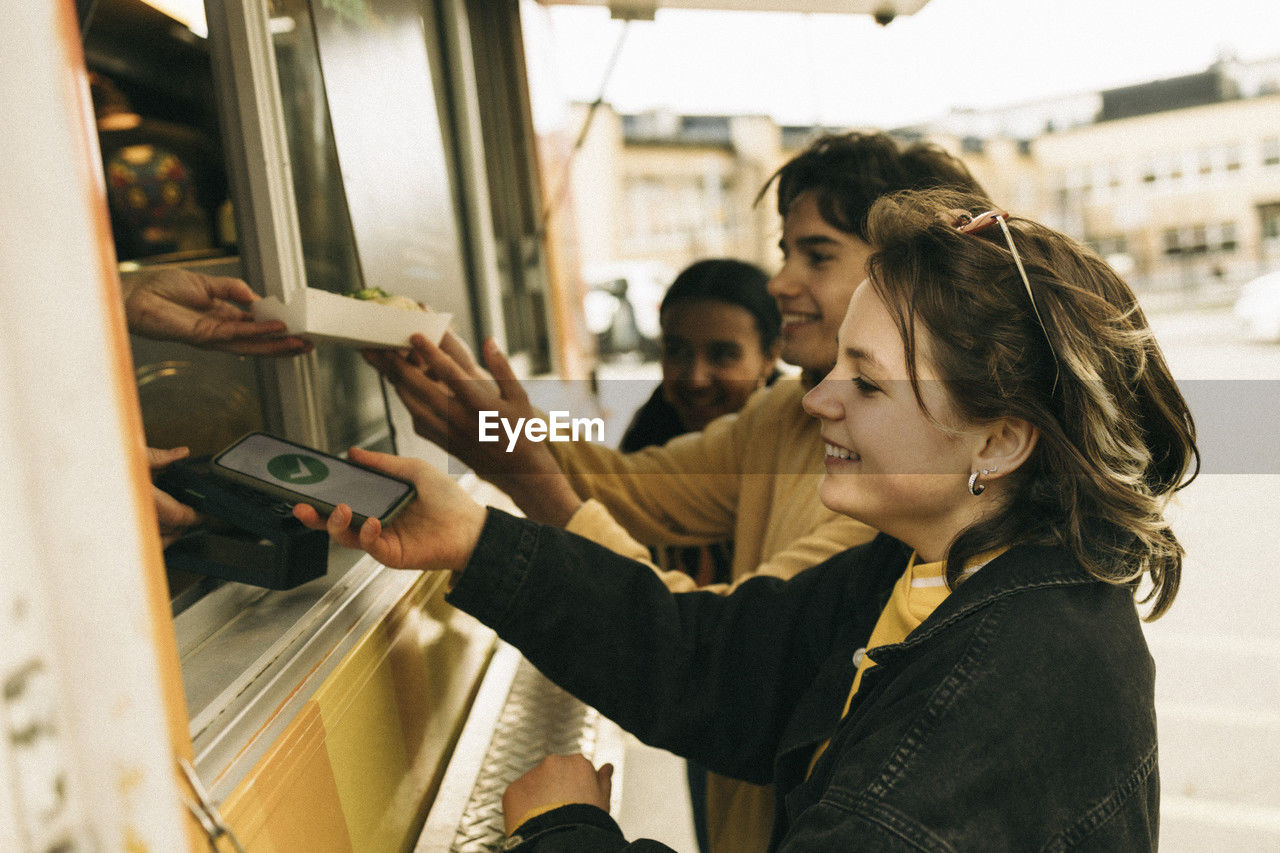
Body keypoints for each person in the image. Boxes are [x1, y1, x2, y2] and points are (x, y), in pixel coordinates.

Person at [297, 188, 1198, 850]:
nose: (819, 404)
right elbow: (715, 657)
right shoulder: (934, 565)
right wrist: (477, 539)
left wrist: (565, 830)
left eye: (869, 382)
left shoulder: (1016, 681)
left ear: (1000, 442)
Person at [365, 131, 988, 853]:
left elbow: (716, 650)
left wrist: (561, 830)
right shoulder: (784, 412)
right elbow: (631, 489)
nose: (780, 281)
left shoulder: (904, 498)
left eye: (815, 255)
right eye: (784, 250)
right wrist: (489, 430)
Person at [618, 257, 780, 852]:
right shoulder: (646, 447)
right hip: (700, 704)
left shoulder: (815, 444)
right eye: (678, 351)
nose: (694, 376)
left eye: (723, 354)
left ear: (771, 354)